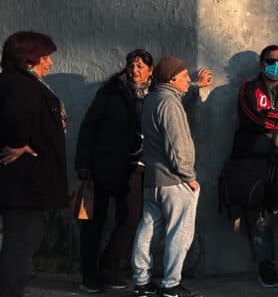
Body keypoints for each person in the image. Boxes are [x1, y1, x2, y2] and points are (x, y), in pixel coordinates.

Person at [75, 49, 154, 293]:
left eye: (141, 66)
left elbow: (177, 94)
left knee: (130, 220)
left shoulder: (155, 95)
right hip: (102, 167)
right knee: (93, 223)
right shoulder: (111, 92)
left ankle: (108, 269)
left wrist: (195, 84)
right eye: (132, 65)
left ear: (150, 70)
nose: (135, 69)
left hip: (134, 170)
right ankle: (89, 276)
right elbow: (89, 127)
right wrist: (83, 164)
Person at [229, 44, 278, 288]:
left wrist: (269, 117)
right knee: (258, 213)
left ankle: (263, 215)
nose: (276, 65)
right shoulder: (249, 88)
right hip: (251, 160)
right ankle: (266, 264)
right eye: (272, 60)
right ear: (262, 63)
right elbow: (250, 116)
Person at [131, 56, 209, 297]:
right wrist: (189, 176)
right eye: (185, 76)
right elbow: (178, 144)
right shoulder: (170, 103)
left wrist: (196, 87)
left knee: (147, 229)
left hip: (154, 179)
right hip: (176, 181)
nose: (189, 80)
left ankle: (141, 282)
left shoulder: (152, 99)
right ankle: (171, 285)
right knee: (180, 232)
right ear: (172, 78)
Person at [0, 32, 66, 297]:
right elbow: (16, 118)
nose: (49, 63)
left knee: (26, 237)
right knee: (21, 240)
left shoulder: (16, 82)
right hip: (23, 181)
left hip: (24, 181)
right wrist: (21, 143)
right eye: (45, 57)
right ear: (29, 59)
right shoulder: (21, 85)